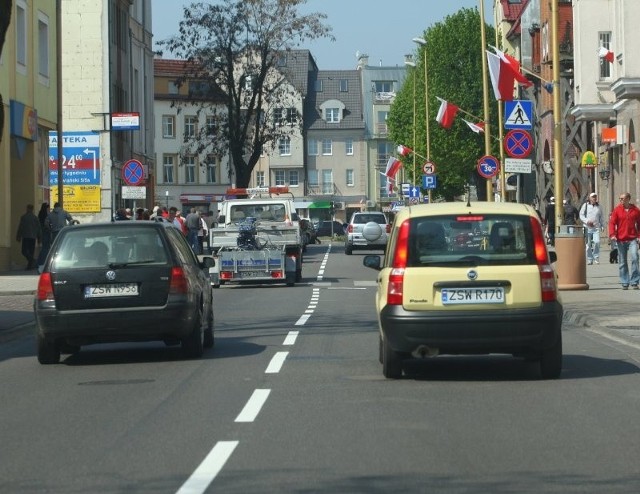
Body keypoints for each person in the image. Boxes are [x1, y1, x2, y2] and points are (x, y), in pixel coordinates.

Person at [608, 192, 640, 290]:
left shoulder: (635, 210)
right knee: (622, 261)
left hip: (632, 239)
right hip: (620, 239)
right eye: (620, 198)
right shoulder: (617, 210)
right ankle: (625, 282)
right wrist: (612, 235)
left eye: (622, 198)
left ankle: (634, 281)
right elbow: (612, 223)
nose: (621, 200)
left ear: (628, 199)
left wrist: (639, 236)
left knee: (635, 258)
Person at [579, 192, 604, 265]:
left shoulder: (599, 206)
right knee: (588, 244)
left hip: (596, 228)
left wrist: (602, 226)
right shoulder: (585, 205)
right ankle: (590, 259)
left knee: (597, 242)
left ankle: (596, 257)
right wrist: (587, 221)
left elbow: (601, 217)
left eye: (595, 197)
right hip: (587, 228)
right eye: (593, 197)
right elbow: (581, 215)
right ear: (589, 198)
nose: (594, 198)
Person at [16, 204, 42, 270]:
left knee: (24, 251)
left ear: (27, 208)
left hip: (26, 236)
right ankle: (31, 264)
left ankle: (31, 262)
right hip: (33, 237)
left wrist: (18, 236)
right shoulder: (35, 218)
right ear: (32, 209)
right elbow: (39, 228)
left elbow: (20, 227)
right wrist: (39, 238)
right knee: (31, 252)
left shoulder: (24, 217)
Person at [36, 202, 51, 270]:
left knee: (44, 247)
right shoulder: (46, 214)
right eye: (48, 207)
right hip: (45, 232)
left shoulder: (40, 213)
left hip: (41, 232)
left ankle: (40, 262)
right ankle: (41, 262)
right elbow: (47, 224)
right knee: (46, 247)